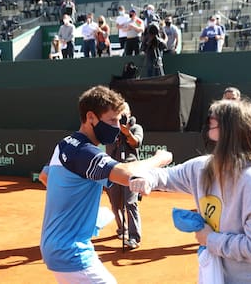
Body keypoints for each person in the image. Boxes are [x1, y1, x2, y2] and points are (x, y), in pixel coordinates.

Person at [129, 99, 251, 284]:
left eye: (211, 124)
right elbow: (168, 176)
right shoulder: (203, 167)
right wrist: (147, 179)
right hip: (228, 273)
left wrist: (211, 239)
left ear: (230, 134)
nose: (207, 130)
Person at [39, 85, 172, 284]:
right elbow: (126, 173)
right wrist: (160, 158)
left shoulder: (65, 144)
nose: (118, 127)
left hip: (57, 246)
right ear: (91, 118)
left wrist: (80, 213)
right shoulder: (85, 152)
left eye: (119, 120)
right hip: (71, 251)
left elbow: (45, 176)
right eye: (112, 120)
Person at [105, 102, 144, 249]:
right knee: (115, 204)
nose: (122, 116)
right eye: (119, 113)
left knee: (130, 202)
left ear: (130, 114)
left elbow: (136, 143)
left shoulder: (136, 127)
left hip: (132, 170)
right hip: (113, 169)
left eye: (125, 113)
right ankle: (122, 229)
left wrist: (127, 132)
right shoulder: (110, 129)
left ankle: (134, 238)